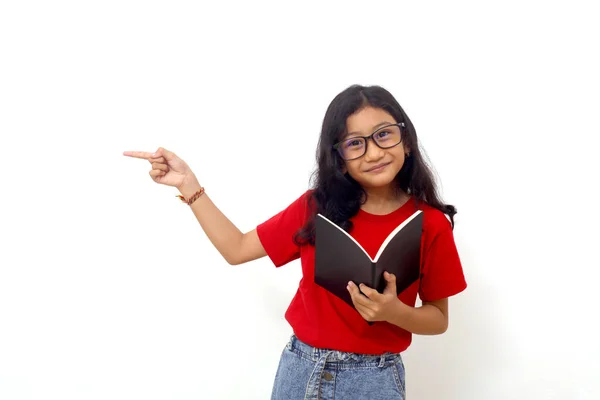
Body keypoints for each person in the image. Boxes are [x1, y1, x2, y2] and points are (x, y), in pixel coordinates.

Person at [123, 84, 467, 399]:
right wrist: (188, 184)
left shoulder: (431, 224)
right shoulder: (316, 206)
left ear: (406, 140)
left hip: (374, 379)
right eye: (355, 143)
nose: (374, 152)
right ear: (340, 159)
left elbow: (438, 319)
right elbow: (237, 248)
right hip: (300, 369)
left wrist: (395, 312)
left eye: (384, 135)